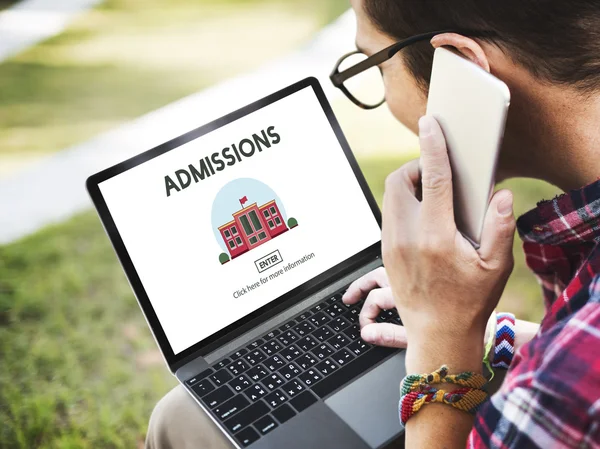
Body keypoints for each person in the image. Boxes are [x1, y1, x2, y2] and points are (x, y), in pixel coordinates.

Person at [146, 0, 600, 447]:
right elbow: (566, 350)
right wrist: (483, 334)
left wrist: (442, 342)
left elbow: (569, 376)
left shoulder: (567, 393)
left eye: (375, 66)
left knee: (177, 420)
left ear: (463, 69)